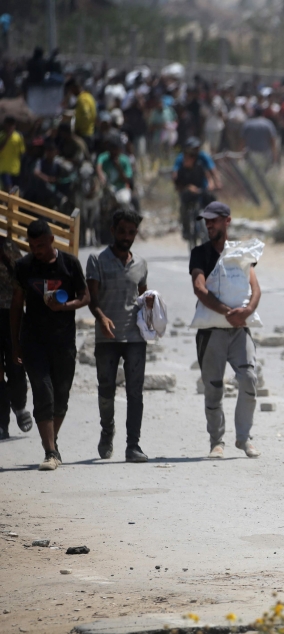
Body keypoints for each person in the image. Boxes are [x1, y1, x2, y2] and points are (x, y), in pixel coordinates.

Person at [11, 219, 90, 471]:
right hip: (33, 341)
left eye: (42, 245)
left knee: (61, 397)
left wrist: (64, 306)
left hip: (63, 341)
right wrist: (15, 344)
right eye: (33, 246)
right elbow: (16, 306)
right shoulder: (23, 267)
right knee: (43, 392)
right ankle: (50, 451)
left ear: (51, 241)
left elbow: (85, 296)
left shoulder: (69, 264)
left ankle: (52, 443)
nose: (38, 251)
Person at [189, 202, 261, 459]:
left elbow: (255, 288)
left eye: (214, 220)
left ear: (227, 221)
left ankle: (244, 438)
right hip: (212, 332)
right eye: (206, 220)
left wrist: (247, 311)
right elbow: (199, 288)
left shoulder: (240, 253)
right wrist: (226, 312)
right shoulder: (199, 254)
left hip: (239, 330)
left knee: (249, 379)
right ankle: (216, 442)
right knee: (214, 388)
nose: (208, 225)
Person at [86, 209, 153, 463]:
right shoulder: (96, 260)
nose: (127, 236)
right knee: (106, 389)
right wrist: (101, 318)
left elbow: (144, 296)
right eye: (122, 231)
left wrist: (151, 310)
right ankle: (107, 431)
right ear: (113, 231)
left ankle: (133, 445)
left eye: (132, 232)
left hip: (135, 337)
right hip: (107, 337)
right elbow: (92, 299)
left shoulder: (141, 264)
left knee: (135, 392)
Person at [0, 232, 31, 440]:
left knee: (16, 366)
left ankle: (19, 406)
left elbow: (24, 274)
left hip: (11, 314)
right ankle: (2, 423)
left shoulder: (7, 246)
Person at [66, 79, 96, 147]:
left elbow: (86, 115)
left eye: (71, 90)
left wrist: (78, 129)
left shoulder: (81, 99)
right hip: (90, 132)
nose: (71, 93)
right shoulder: (89, 96)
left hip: (84, 134)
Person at [0, 116, 24, 191]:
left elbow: (21, 151)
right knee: (8, 189)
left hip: (15, 169)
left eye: (12, 125)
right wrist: (7, 137)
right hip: (3, 168)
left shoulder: (18, 137)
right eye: (8, 125)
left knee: (13, 190)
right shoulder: (1, 135)